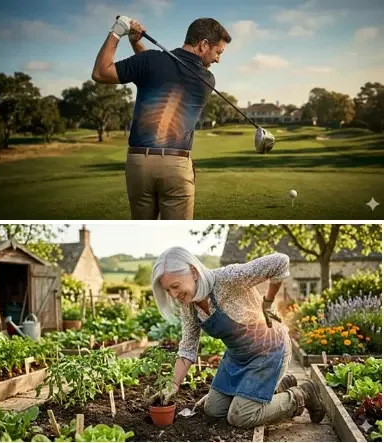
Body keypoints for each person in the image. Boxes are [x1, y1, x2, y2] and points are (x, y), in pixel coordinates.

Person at [149, 247, 325, 429]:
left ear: (193, 272)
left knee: (241, 416)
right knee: (213, 409)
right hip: (237, 357)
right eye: (168, 290)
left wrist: (268, 302)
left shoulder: (228, 278)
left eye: (175, 286)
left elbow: (280, 261)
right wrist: (172, 385)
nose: (173, 295)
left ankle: (303, 394)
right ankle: (280, 386)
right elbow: (187, 349)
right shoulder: (189, 307)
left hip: (269, 350)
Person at [92, 17, 232, 220]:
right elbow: (160, 71)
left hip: (139, 165)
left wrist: (118, 32)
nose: (217, 59)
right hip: (176, 165)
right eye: (218, 52)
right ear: (203, 44)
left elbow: (101, 72)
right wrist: (136, 43)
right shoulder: (206, 79)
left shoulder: (150, 61)